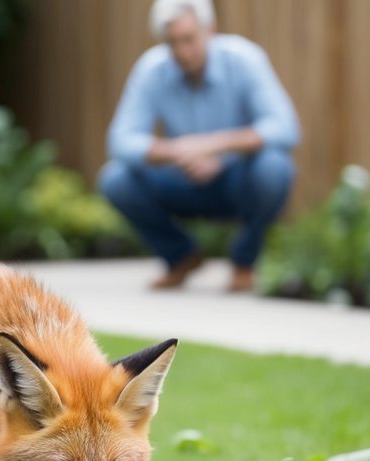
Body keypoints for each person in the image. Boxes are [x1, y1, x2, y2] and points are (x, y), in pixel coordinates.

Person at [99, 0, 300, 291]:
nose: (182, 51)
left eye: (189, 39)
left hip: (236, 178)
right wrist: (177, 151)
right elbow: (120, 140)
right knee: (116, 178)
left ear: (211, 31)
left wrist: (214, 146)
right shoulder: (151, 69)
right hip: (181, 177)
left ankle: (244, 262)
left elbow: (284, 127)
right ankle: (180, 256)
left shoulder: (245, 59)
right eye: (172, 43)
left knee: (275, 167)